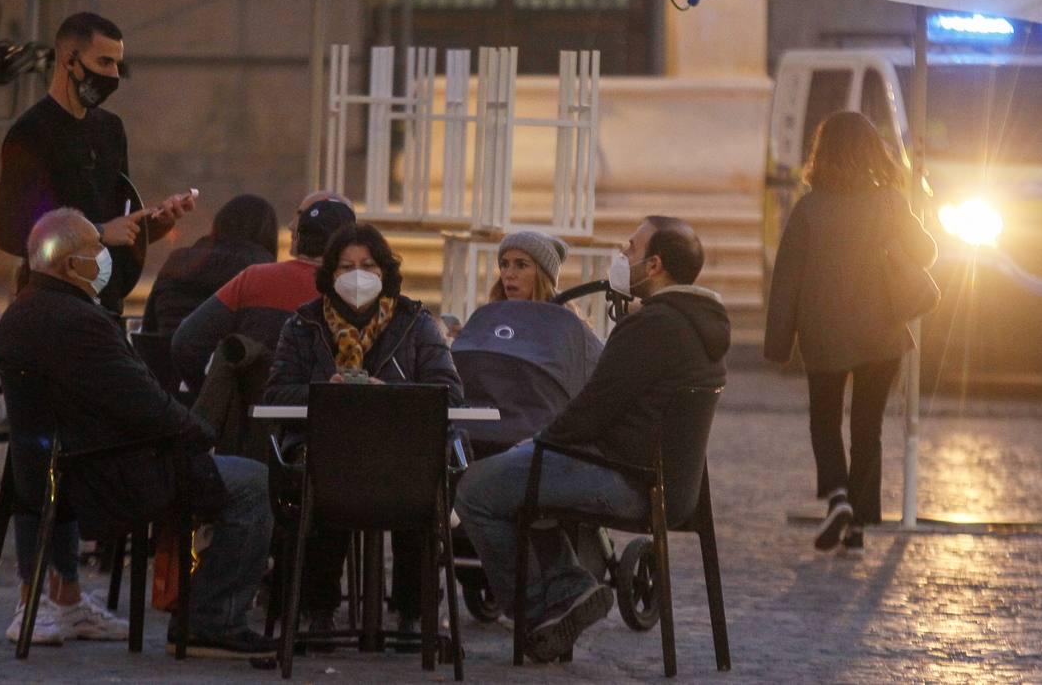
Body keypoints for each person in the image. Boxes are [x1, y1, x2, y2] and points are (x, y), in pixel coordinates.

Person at [0, 209, 277, 658]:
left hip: (58, 471)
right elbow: (144, 405)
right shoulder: (79, 323)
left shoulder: (24, 312)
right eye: (95, 249)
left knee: (230, 474)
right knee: (253, 482)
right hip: (108, 475)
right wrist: (200, 433)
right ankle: (210, 620)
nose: (105, 256)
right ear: (70, 265)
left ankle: (200, 613)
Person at [454, 216, 730, 663]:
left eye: (630, 249)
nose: (622, 256)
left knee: (477, 489)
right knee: (521, 480)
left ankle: (542, 610)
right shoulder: (696, 324)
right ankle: (568, 586)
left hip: (627, 482)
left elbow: (590, 410)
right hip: (670, 487)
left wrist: (536, 445)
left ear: (654, 265)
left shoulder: (653, 328)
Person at [264, 222, 463, 633]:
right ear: (330, 274)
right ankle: (317, 608)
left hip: (404, 456)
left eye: (368, 265)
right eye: (346, 266)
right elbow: (276, 395)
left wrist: (388, 392)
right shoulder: (304, 326)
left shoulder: (414, 322)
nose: (357, 274)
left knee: (422, 476)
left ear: (384, 271)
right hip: (327, 457)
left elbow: (450, 393)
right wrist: (324, 394)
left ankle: (413, 609)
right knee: (325, 474)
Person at [763, 111, 936, 554]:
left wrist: (778, 344)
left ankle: (837, 496)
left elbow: (786, 280)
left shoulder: (808, 208)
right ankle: (857, 528)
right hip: (882, 332)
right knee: (867, 427)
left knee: (824, 420)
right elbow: (927, 252)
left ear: (823, 153)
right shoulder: (891, 202)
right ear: (872, 151)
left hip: (823, 333)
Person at [0, 11, 198, 314]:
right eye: (104, 62)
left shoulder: (110, 129)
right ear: (69, 61)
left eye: (118, 64)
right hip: (54, 306)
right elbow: (11, 232)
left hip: (106, 302)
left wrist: (156, 222)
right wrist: (99, 232)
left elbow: (120, 221)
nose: (114, 75)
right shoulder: (31, 132)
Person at [172, 193, 355, 390]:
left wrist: (214, 393)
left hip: (248, 412)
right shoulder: (352, 293)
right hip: (316, 413)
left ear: (299, 237)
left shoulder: (253, 277)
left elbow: (185, 342)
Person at [141, 193, 279, 335]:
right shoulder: (262, 271)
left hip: (165, 353)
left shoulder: (177, 260)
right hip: (223, 356)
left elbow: (148, 328)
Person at [489, 230, 569, 302]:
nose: (509, 274)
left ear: (543, 275)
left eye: (521, 265)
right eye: (504, 265)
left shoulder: (564, 318)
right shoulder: (486, 316)